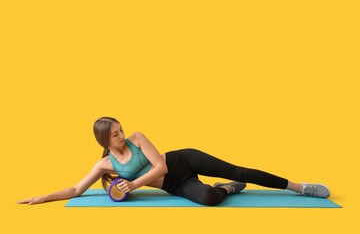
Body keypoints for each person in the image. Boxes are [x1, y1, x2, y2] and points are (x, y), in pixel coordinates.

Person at [16, 116, 331, 206]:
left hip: (182, 161)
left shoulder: (137, 137)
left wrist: (133, 184)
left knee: (240, 168)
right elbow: (75, 190)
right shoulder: (104, 165)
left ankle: (301, 187)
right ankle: (229, 189)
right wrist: (45, 197)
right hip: (175, 186)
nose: (121, 134)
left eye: (120, 129)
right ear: (104, 141)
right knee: (209, 198)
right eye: (114, 134)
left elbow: (161, 166)